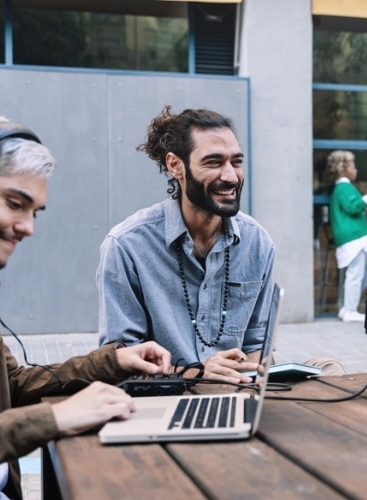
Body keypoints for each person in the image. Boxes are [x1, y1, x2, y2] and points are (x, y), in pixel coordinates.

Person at [0, 109, 173, 499]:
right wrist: (52, 419)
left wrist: (113, 361)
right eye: (14, 203)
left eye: (34, 212)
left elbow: (8, 385)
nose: (28, 227)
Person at [97, 105, 275, 384]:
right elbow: (121, 364)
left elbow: (257, 347)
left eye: (236, 161)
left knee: (329, 368)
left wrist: (252, 380)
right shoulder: (126, 246)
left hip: (237, 395)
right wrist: (197, 375)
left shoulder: (258, 243)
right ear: (175, 165)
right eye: (214, 162)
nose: (230, 176)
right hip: (162, 400)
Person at [326, 150, 367, 322]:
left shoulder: (340, 188)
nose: (356, 169)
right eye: (352, 165)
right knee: (356, 274)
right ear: (344, 168)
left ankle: (347, 308)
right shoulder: (344, 187)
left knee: (358, 273)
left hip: (351, 237)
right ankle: (350, 310)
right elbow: (352, 207)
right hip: (354, 237)